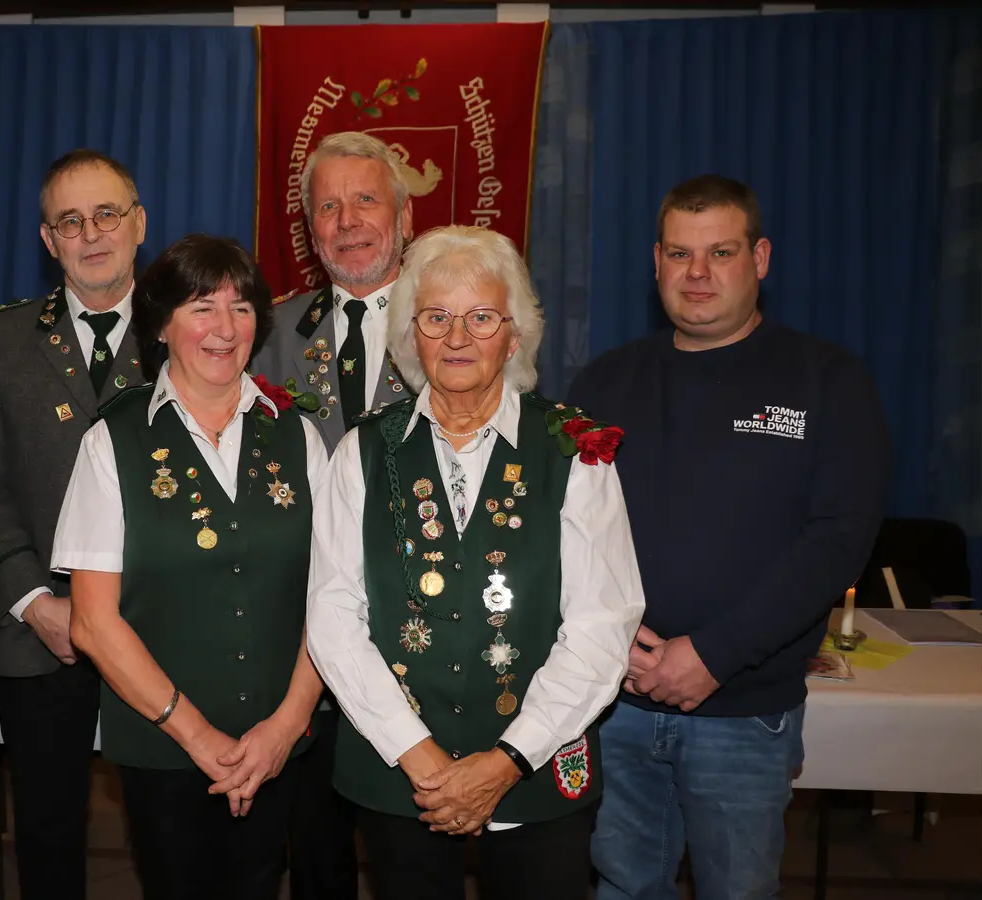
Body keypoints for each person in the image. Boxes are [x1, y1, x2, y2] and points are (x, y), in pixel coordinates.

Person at [568, 175, 891, 899]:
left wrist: (714, 654)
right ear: (656, 263)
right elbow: (566, 533)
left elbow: (838, 540)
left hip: (744, 711)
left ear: (761, 258)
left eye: (720, 252)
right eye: (680, 254)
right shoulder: (605, 381)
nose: (698, 273)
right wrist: (607, 638)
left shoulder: (828, 381)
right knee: (621, 889)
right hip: (615, 701)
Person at [306, 225, 645, 900]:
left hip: (539, 770)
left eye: (481, 317)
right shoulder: (362, 453)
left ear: (514, 336)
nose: (457, 337)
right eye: (436, 317)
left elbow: (603, 625)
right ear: (409, 336)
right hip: (401, 777)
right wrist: (421, 756)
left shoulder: (574, 450)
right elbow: (334, 616)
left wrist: (508, 759)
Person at [51, 234, 329, 900]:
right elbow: (92, 623)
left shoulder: (298, 435)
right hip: (164, 750)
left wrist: (285, 728)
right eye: (202, 307)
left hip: (278, 746)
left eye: (241, 307)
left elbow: (335, 599)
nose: (224, 328)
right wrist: (199, 736)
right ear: (162, 325)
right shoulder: (110, 440)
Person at [0, 148, 148, 900]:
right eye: (71, 220)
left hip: (159, 630)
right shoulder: (1, 341)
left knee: (173, 827)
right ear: (48, 241)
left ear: (139, 224)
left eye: (107, 213)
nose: (92, 233)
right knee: (47, 833)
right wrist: (35, 603)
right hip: (44, 630)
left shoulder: (192, 330)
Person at [249, 130, 418, 898]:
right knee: (315, 851)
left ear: (404, 216)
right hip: (305, 641)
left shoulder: (452, 323)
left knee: (414, 851)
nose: (347, 220)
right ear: (309, 228)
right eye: (328, 206)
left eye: (365, 200)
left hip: (424, 634)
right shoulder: (268, 334)